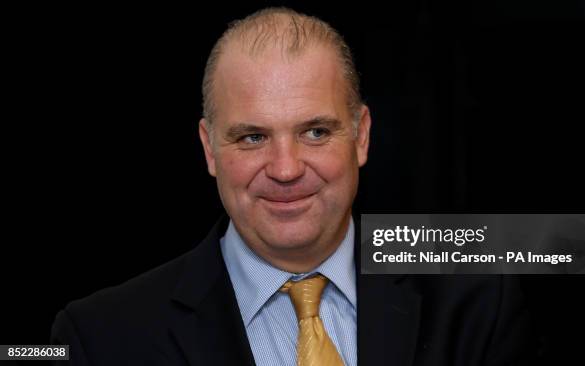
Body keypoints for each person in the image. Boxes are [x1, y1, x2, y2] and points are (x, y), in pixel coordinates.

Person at [51, 7, 536, 366]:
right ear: (209, 149)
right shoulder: (100, 337)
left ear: (361, 136)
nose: (285, 169)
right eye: (253, 137)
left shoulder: (476, 300)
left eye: (316, 132)